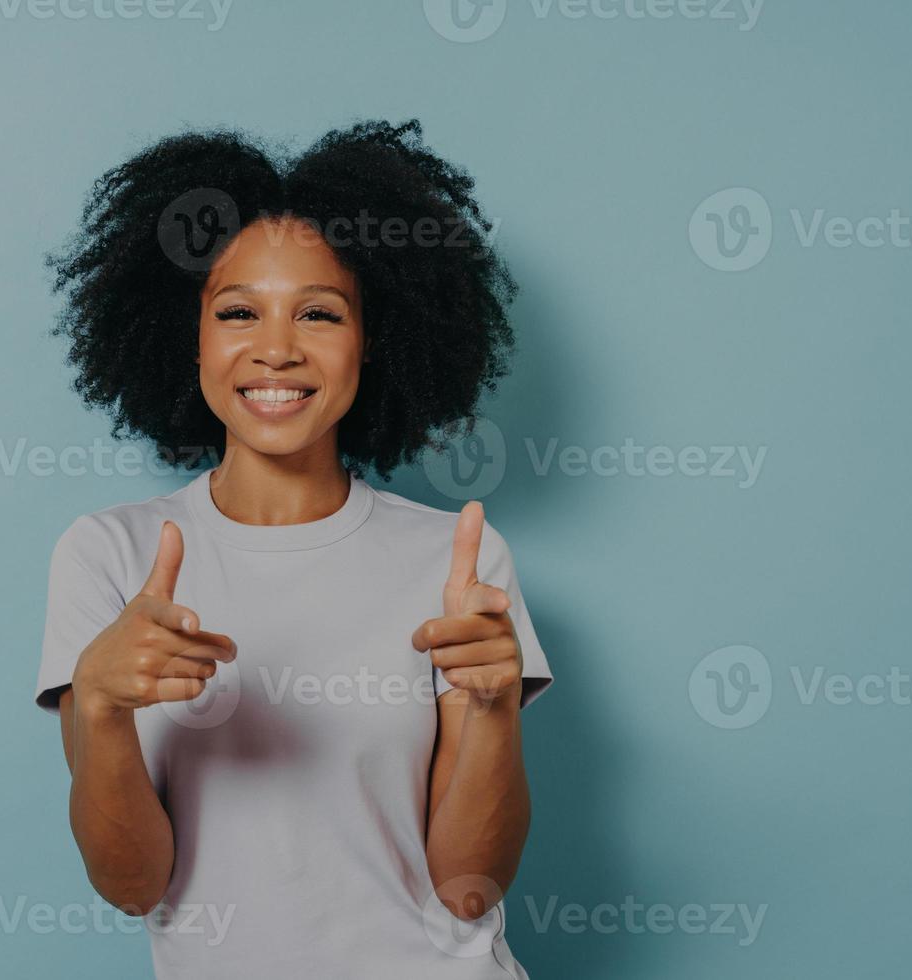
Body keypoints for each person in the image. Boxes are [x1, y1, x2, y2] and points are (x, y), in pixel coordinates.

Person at [35, 119, 553, 979]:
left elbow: (470, 891)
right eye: (237, 311)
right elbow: (132, 888)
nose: (276, 348)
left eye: (319, 312)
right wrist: (99, 703)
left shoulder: (458, 564)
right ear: (187, 336)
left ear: (370, 340)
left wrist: (495, 708)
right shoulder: (108, 555)